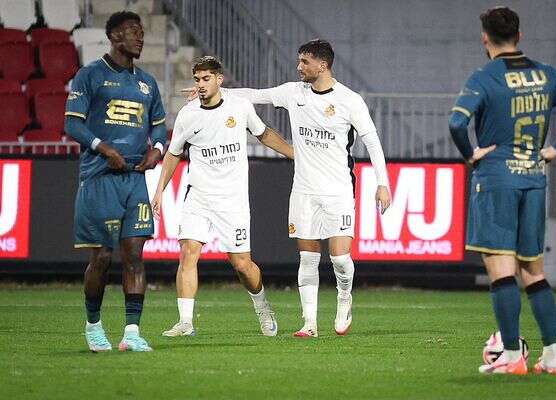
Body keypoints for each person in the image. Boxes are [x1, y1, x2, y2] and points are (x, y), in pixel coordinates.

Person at [186, 39, 391, 337]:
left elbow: (372, 141)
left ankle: (344, 296)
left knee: (339, 258)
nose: (299, 67)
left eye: (305, 62)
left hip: (338, 190)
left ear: (322, 65)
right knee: (307, 258)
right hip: (304, 190)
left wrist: (382, 183)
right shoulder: (294, 92)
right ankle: (309, 323)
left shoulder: (349, 100)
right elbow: (256, 95)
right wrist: (215, 91)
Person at [449, 6, 556, 375]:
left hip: (496, 179)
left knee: (502, 271)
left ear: (485, 38)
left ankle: (513, 357)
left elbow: (456, 123)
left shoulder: (484, 77)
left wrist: (470, 154)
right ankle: (553, 356)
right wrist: (555, 149)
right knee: (533, 271)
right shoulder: (545, 74)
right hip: (533, 178)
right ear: (519, 35)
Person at [152, 56, 294, 337]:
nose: (201, 85)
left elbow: (263, 134)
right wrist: (159, 190)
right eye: (197, 80)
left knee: (242, 265)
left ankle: (262, 306)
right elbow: (173, 153)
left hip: (232, 200)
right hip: (199, 195)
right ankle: (185, 322)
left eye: (206, 79)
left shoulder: (239, 107)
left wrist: (294, 154)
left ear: (219, 80)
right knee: (188, 253)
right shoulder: (188, 114)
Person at [64, 11, 167, 352]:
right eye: (133, 31)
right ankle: (93, 326)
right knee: (102, 258)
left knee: (135, 254)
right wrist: (103, 147)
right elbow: (73, 124)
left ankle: (132, 333)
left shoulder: (147, 83)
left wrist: (158, 150)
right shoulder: (90, 74)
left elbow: (158, 126)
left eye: (141, 31)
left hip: (135, 179)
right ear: (114, 36)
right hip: (100, 177)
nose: (140, 37)